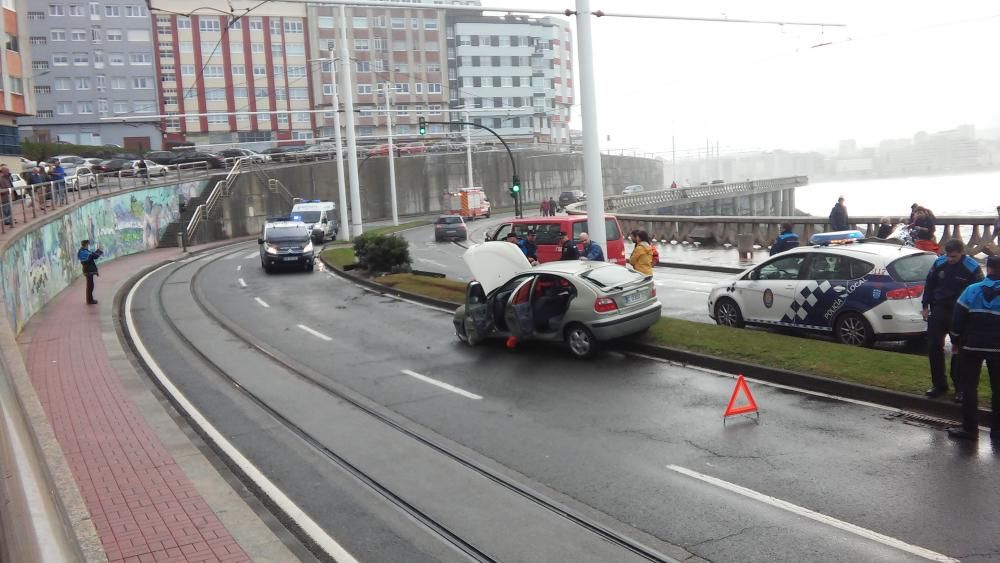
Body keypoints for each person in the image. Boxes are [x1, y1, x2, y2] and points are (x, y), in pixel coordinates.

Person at [946, 255, 1000, 442]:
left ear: (989, 269)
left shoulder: (971, 290)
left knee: (969, 387)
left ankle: (970, 429)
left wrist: (955, 340)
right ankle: (997, 433)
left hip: (971, 346)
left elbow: (956, 321)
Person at [922, 239, 984, 401]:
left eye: (954, 257)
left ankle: (960, 387)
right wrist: (925, 305)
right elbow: (929, 284)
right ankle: (939, 384)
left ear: (962, 253)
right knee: (934, 346)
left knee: (959, 350)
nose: (950, 259)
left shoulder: (972, 267)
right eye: (948, 256)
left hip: (960, 312)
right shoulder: (939, 263)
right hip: (939, 309)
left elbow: (979, 292)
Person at [78, 239, 104, 305]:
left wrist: (98, 251)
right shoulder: (83, 252)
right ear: (85, 245)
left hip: (88, 270)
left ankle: (90, 300)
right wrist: (100, 251)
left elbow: (93, 255)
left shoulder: (83, 251)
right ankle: (89, 301)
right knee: (90, 286)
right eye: (87, 245)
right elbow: (94, 256)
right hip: (88, 271)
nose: (88, 246)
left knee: (90, 286)